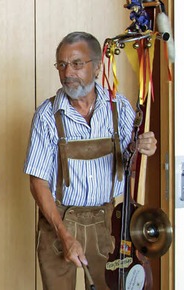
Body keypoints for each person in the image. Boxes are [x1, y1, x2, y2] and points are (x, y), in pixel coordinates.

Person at [24, 31, 158, 290]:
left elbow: (131, 155)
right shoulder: (46, 116)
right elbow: (37, 182)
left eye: (76, 64)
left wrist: (144, 146)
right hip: (58, 223)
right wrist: (65, 236)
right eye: (61, 65)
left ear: (97, 67)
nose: (67, 73)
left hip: (106, 223)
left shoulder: (119, 108)